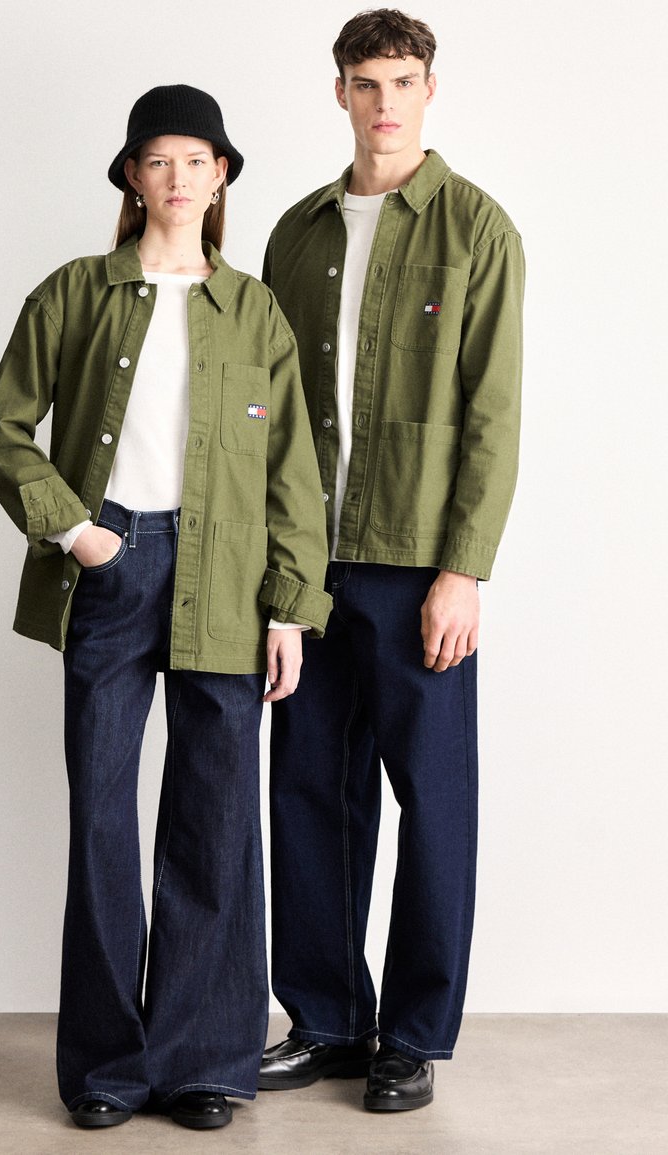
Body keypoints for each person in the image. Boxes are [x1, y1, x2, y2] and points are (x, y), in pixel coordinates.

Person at [0, 84, 331, 1132]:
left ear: (221, 177)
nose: (179, 178)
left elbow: (292, 472)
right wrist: (76, 531)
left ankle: (203, 1061)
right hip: (112, 564)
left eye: (197, 160)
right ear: (133, 177)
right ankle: (105, 1067)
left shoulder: (255, 309)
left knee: (215, 819)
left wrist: (289, 609)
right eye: (159, 159)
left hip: (228, 578)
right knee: (100, 812)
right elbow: (5, 429)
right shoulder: (74, 293)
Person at [259, 9, 524, 1112]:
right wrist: (272, 568)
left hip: (417, 564)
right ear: (339, 92)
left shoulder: (476, 228)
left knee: (433, 798)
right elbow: (267, 410)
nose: (383, 103)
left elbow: (491, 415)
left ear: (429, 89)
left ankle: (412, 1035)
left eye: (401, 81)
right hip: (305, 564)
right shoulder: (296, 232)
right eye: (365, 83)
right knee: (308, 792)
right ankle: (326, 1020)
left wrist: (463, 570)